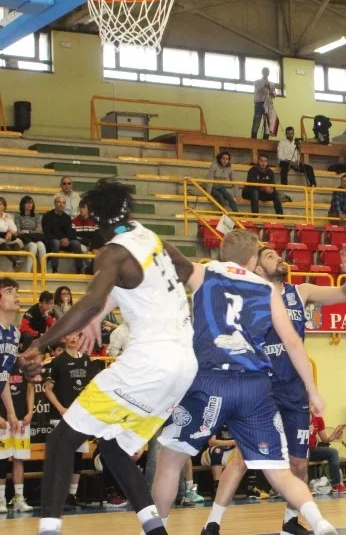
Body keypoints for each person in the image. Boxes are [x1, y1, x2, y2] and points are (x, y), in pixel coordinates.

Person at [17, 179, 198, 535]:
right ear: (128, 210)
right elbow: (186, 272)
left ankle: (48, 531)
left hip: (149, 361)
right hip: (183, 364)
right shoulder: (151, 239)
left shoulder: (112, 253)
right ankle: (154, 529)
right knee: (112, 446)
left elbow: (89, 303)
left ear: (95, 219)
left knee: (61, 440)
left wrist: (40, 344)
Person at [150, 229, 335, 535]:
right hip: (255, 386)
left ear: (222, 253)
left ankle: (158, 530)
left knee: (170, 459)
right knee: (279, 470)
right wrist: (313, 391)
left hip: (211, 380)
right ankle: (320, 522)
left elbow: (168, 259)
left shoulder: (202, 273)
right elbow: (291, 341)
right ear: (253, 260)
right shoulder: (267, 288)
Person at [203, 243, 346, 535]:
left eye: (279, 254)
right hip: (261, 386)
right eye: (271, 256)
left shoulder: (302, 292)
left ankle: (289, 522)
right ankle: (212, 523)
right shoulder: (248, 296)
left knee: (299, 462)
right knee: (244, 458)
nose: (280, 258)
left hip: (294, 389)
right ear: (258, 268)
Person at [42, 332, 92, 510]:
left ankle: (73, 494)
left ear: (80, 339)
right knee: (62, 456)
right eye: (69, 336)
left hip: (80, 417)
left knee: (78, 456)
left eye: (76, 336)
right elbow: (48, 390)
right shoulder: (57, 361)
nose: (73, 339)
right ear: (63, 339)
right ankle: (59, 495)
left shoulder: (86, 360)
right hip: (62, 416)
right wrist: (61, 408)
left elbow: (89, 389)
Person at [0, 278, 32, 514]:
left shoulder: (14, 333)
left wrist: (11, 412)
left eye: (16, 291)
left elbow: (3, 379)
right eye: (9, 291)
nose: (15, 295)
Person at [42, 195, 83, 274]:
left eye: (63, 203)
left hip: (65, 241)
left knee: (76, 243)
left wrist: (67, 239)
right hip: (52, 241)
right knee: (56, 242)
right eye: (59, 202)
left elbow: (71, 232)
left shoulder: (67, 217)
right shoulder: (47, 216)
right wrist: (60, 240)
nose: (61, 204)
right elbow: (47, 233)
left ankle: (79, 269)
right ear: (54, 204)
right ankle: (54, 269)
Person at [308, 415, 346, 494]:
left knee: (333, 452)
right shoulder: (297, 416)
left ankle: (336, 485)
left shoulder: (318, 418)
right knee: (302, 456)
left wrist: (335, 436)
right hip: (298, 450)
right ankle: (304, 487)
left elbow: (325, 439)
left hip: (311, 450)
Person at [15, 195, 46, 273]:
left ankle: (44, 271)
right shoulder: (18, 215)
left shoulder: (36, 216)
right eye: (28, 203)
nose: (30, 205)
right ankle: (28, 271)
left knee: (41, 245)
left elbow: (39, 231)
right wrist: (33, 231)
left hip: (35, 238)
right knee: (34, 245)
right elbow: (18, 231)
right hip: (24, 240)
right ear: (23, 204)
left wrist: (27, 232)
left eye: (31, 203)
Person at [72, 203, 102, 274]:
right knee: (83, 249)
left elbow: (97, 236)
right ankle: (84, 269)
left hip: (93, 245)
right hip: (82, 244)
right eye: (80, 208)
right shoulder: (74, 222)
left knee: (98, 249)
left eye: (84, 208)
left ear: (89, 209)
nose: (81, 210)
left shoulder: (95, 221)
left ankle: (91, 270)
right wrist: (86, 241)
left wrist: (91, 244)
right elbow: (74, 237)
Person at [251, 67, 276, 139]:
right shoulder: (257, 82)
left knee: (267, 124)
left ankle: (265, 140)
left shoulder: (272, 84)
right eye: (265, 71)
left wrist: (270, 88)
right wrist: (265, 84)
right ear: (262, 72)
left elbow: (274, 95)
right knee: (256, 122)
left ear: (269, 73)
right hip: (259, 103)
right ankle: (253, 140)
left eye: (267, 71)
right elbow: (258, 90)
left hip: (268, 104)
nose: (266, 73)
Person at [0, 196, 23, 268]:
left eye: (0, 204)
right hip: (1, 240)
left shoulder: (7, 216)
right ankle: (17, 262)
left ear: (4, 206)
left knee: (16, 245)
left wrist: (9, 232)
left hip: (8, 238)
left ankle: (16, 265)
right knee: (4, 245)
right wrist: (7, 231)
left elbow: (14, 229)